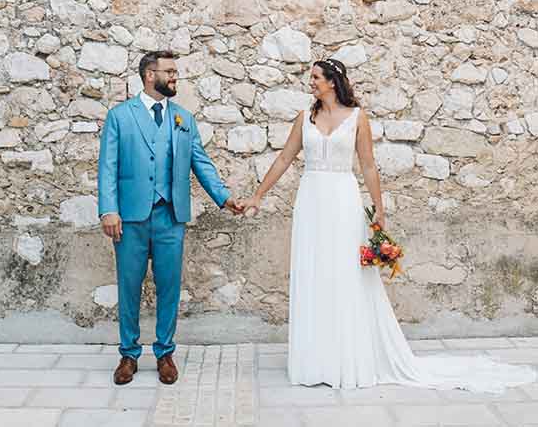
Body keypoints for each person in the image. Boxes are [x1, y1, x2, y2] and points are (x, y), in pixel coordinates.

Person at [240, 57, 536, 393]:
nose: (311, 83)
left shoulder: (356, 118)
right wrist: (257, 196)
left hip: (342, 200)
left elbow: (367, 166)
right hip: (310, 201)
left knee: (344, 275)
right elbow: (283, 158)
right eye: (311, 78)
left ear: (333, 82)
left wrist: (379, 210)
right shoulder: (304, 118)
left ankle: (346, 359)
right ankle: (315, 361)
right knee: (313, 273)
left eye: (316, 78)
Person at [98, 50, 242, 386]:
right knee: (129, 286)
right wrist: (108, 209)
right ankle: (128, 354)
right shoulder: (120, 116)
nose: (175, 77)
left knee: (169, 288)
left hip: (170, 217)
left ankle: (165, 352)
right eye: (170, 71)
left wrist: (225, 198)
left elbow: (201, 163)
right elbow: (107, 166)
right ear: (150, 75)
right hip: (130, 218)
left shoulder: (183, 119)